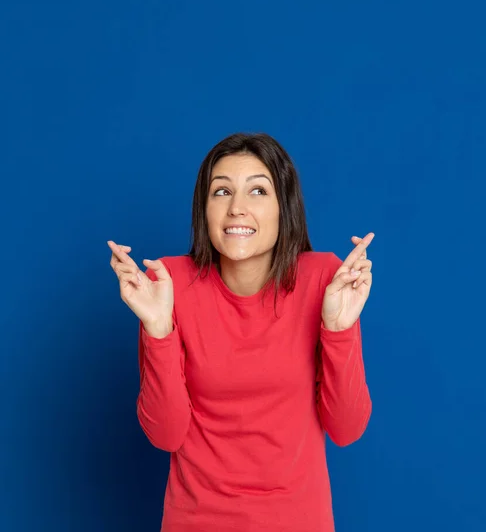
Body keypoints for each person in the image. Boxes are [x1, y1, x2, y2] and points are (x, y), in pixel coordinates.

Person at [107, 132, 374, 532]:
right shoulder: (168, 283)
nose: (237, 208)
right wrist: (158, 329)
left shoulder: (322, 279)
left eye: (258, 191)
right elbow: (166, 434)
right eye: (221, 192)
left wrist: (339, 329)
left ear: (285, 207)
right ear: (205, 208)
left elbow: (346, 428)